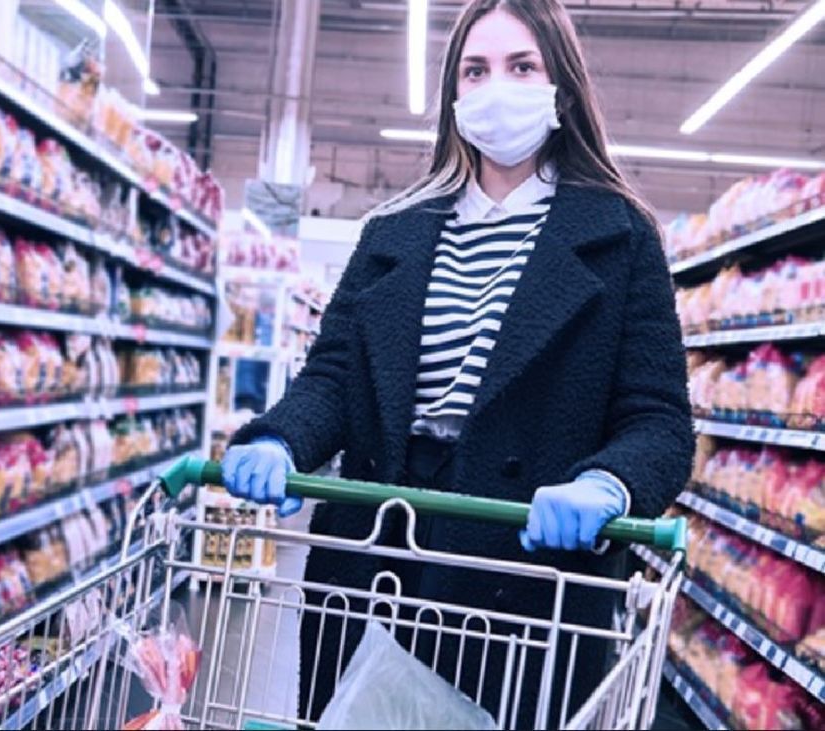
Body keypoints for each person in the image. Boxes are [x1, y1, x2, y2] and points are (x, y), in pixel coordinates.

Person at [221, 0, 694, 725]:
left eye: (522, 66)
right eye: (475, 69)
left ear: (560, 88)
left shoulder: (621, 237)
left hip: (526, 590)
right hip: (374, 569)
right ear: (453, 95)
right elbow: (333, 378)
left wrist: (607, 483)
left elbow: (657, 421)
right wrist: (281, 437)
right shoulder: (394, 232)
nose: (496, 85)